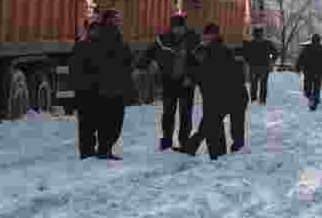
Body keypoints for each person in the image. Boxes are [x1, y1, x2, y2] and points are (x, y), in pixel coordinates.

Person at [176, 23, 249, 159]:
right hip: (222, 95)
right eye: (206, 34)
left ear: (216, 35)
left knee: (231, 128)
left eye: (210, 34)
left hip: (232, 95)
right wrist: (191, 76)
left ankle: (231, 155)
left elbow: (210, 73)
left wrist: (193, 78)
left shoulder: (219, 51)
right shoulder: (205, 50)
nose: (207, 37)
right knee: (211, 124)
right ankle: (212, 153)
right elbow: (196, 68)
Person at [69, 9, 135, 160]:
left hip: (106, 88)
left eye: (119, 19)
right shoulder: (98, 40)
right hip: (101, 88)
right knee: (101, 121)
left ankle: (95, 150)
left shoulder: (116, 39)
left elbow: (126, 63)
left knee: (99, 121)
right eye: (115, 19)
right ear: (107, 20)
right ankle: (97, 150)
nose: (118, 22)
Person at [138, 12, 200, 151]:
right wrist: (140, 65)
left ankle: (184, 141)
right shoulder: (162, 40)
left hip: (187, 82)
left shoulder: (193, 39)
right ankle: (166, 140)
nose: (178, 30)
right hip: (169, 81)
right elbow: (149, 53)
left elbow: (199, 62)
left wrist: (192, 77)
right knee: (168, 113)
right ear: (171, 27)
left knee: (185, 113)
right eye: (176, 27)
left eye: (181, 27)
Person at [242, 27, 279, 105]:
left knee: (254, 84)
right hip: (264, 67)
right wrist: (271, 61)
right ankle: (262, 100)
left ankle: (254, 100)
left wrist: (249, 62)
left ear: (254, 34)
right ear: (262, 34)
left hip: (254, 67)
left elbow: (245, 55)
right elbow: (275, 53)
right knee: (263, 84)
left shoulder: (250, 44)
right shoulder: (267, 43)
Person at [296, 33, 322, 110]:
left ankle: (313, 101)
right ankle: (315, 99)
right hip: (319, 73)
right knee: (316, 88)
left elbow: (300, 59)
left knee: (307, 89)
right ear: (319, 40)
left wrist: (298, 68)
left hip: (308, 73)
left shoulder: (307, 49)